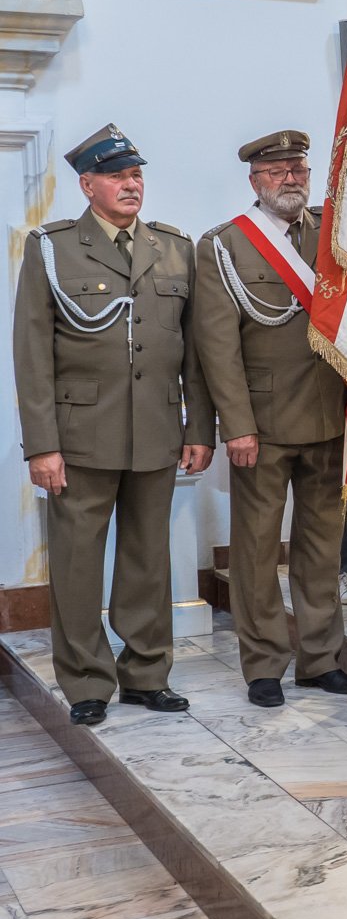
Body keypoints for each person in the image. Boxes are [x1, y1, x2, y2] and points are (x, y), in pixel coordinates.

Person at [12, 125, 215, 726]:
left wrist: (199, 428)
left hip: (157, 430)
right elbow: (31, 353)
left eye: (136, 175)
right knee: (77, 563)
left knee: (148, 559)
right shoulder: (52, 247)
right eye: (117, 176)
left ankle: (148, 675)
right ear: (87, 184)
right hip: (80, 437)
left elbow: (195, 352)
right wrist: (42, 445)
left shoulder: (174, 248)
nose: (131, 185)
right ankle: (86, 683)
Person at [194, 130, 347, 708]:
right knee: (258, 550)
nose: (291, 179)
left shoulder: (336, 236)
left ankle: (320, 658)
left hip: (327, 415)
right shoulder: (225, 245)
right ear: (255, 179)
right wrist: (236, 425)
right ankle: (263, 663)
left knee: (320, 547)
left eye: (298, 169)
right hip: (259, 425)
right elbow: (217, 348)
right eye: (278, 170)